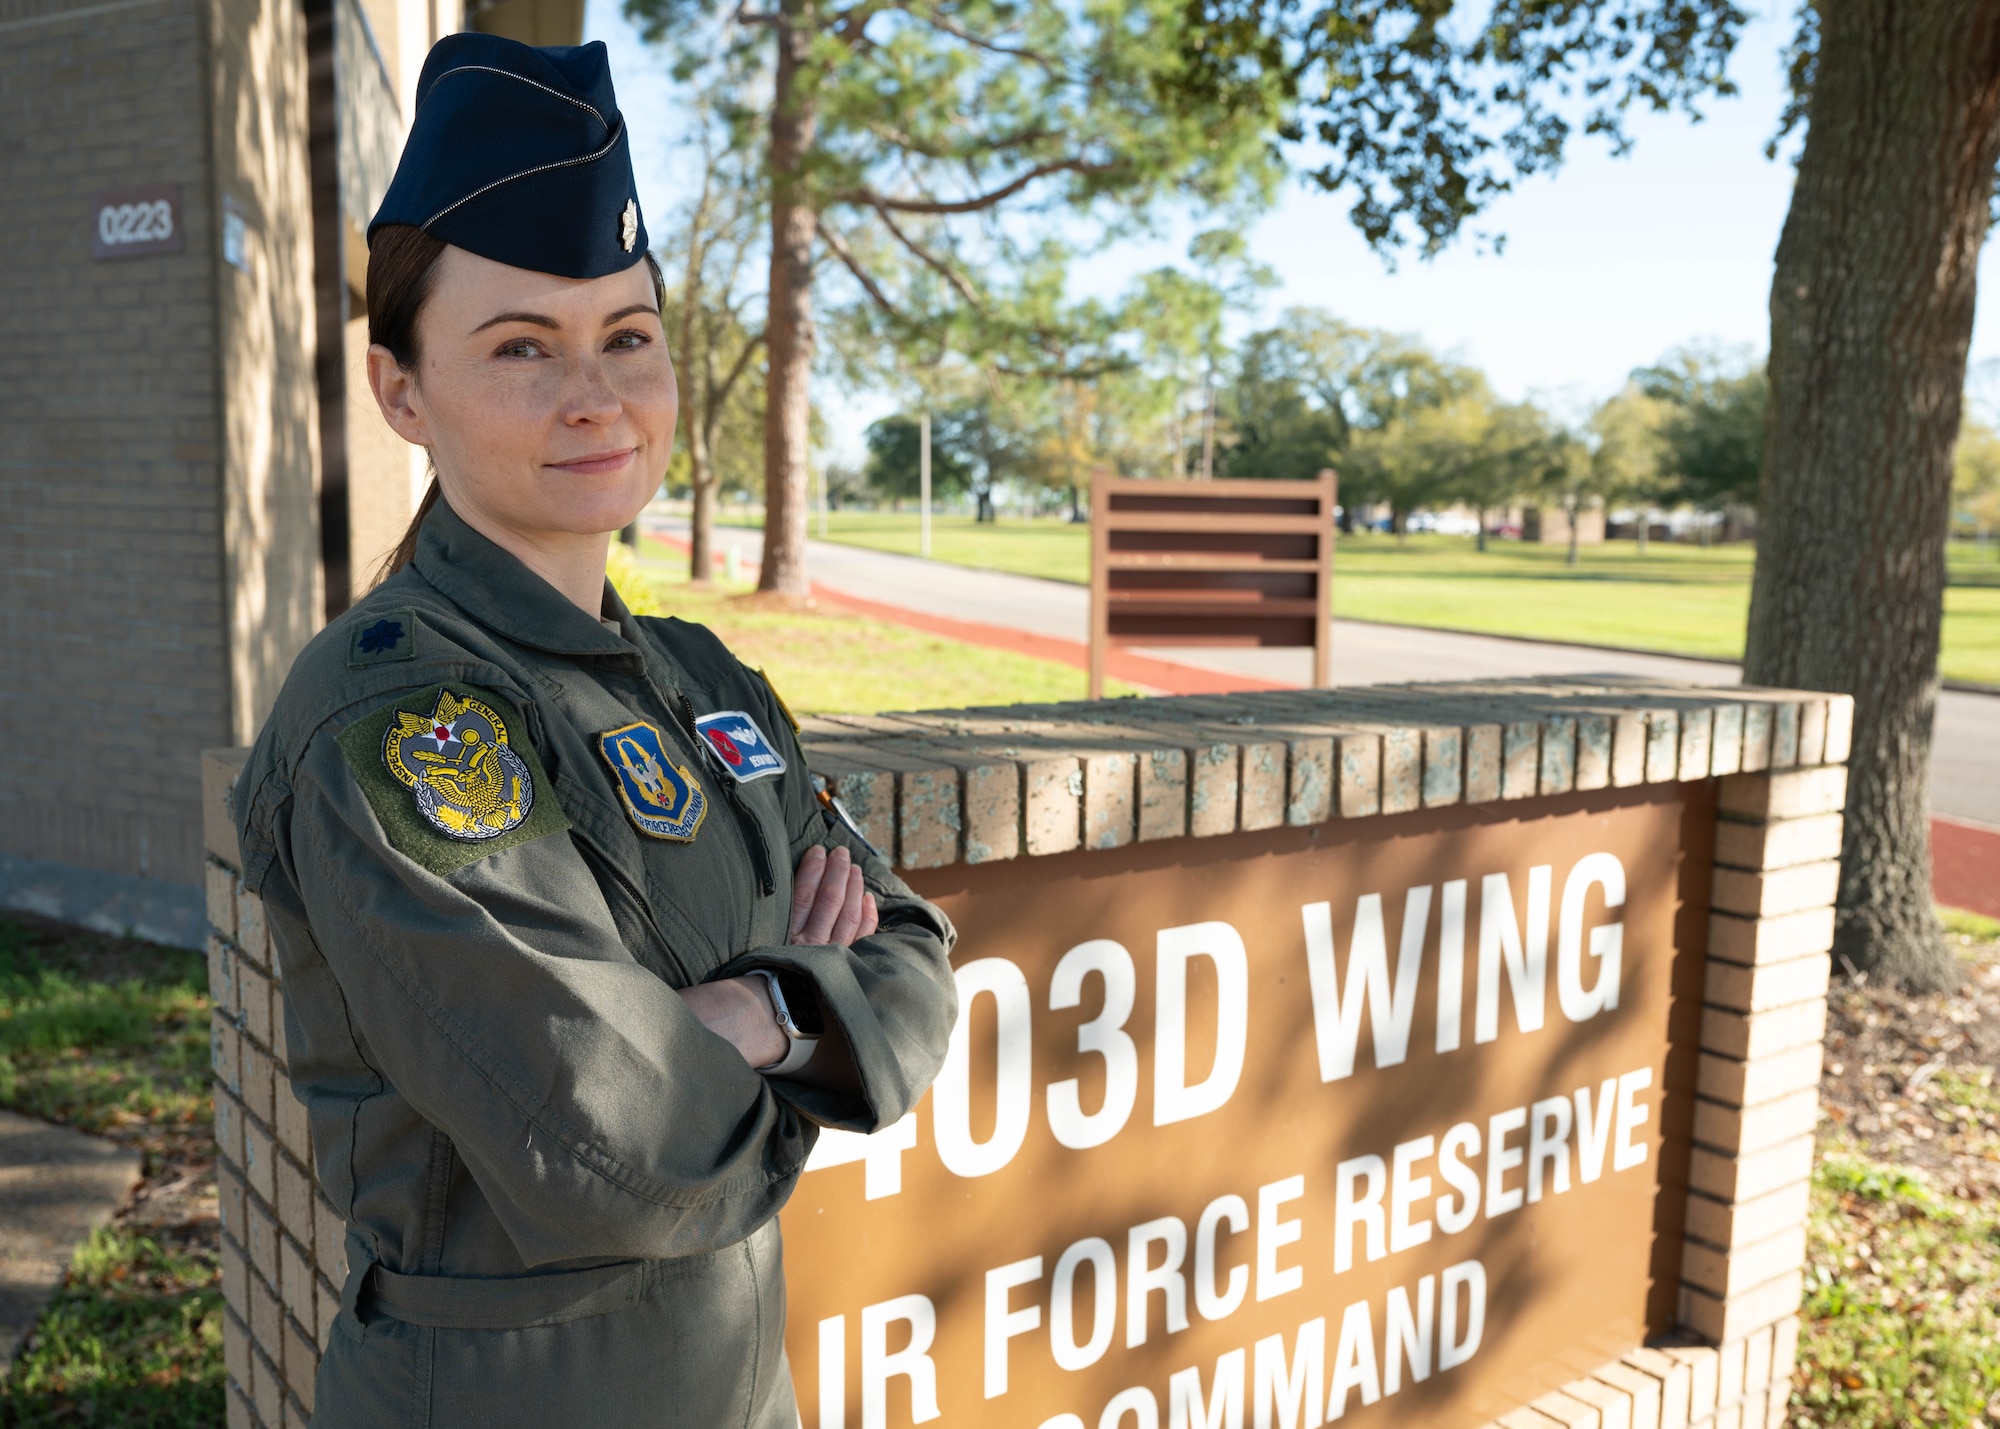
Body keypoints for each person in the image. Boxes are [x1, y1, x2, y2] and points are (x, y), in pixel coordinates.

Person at [230, 32, 958, 1427]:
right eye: (520, 347)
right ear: (402, 391)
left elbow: (915, 954)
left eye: (627, 336)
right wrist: (810, 1016)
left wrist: (747, 1012)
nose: (596, 393)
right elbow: (615, 1141)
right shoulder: (400, 711)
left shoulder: (706, 678)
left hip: (741, 1379)